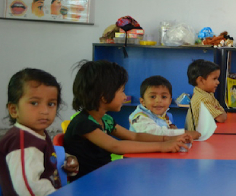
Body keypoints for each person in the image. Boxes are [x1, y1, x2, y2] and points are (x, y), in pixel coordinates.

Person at [0, 68, 97, 196]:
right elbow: (29, 186)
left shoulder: (36, 134)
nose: (45, 111)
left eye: (51, 104)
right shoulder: (21, 141)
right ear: (14, 109)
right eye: (34, 103)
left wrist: (67, 159)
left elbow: (46, 156)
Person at [63, 61, 192, 182]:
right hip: (89, 183)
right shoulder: (83, 123)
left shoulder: (105, 119)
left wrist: (168, 139)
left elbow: (134, 136)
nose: (125, 97)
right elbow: (116, 146)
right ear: (104, 96)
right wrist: (162, 146)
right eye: (122, 91)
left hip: (104, 175)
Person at [129, 75, 201, 139]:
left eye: (164, 97)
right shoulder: (139, 117)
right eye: (152, 97)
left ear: (170, 101)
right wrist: (184, 133)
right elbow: (157, 134)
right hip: (139, 154)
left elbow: (167, 132)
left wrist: (173, 129)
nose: (158, 100)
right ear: (142, 101)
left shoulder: (163, 115)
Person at [185, 59, 227, 130]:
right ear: (201, 80)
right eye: (214, 79)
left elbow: (221, 111)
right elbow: (221, 118)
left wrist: (221, 112)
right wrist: (221, 112)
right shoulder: (202, 99)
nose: (218, 82)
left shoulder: (207, 93)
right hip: (196, 138)